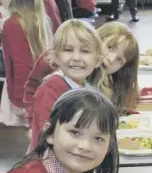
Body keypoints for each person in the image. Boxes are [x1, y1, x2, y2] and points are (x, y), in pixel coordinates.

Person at [24, 21, 139, 126]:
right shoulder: (53, 60)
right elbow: (32, 86)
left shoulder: (101, 82)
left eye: (119, 60)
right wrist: (30, 123)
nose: (111, 58)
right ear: (98, 39)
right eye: (109, 47)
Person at [30, 19, 111, 149]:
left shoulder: (85, 88)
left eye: (85, 51)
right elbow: (46, 137)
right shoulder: (49, 90)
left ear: (97, 60)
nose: (76, 58)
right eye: (68, 50)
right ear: (56, 57)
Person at [0, 0, 53, 128]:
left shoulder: (13, 24)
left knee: (31, 130)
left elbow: (21, 65)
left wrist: (20, 100)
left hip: (24, 88)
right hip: (40, 83)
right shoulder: (40, 18)